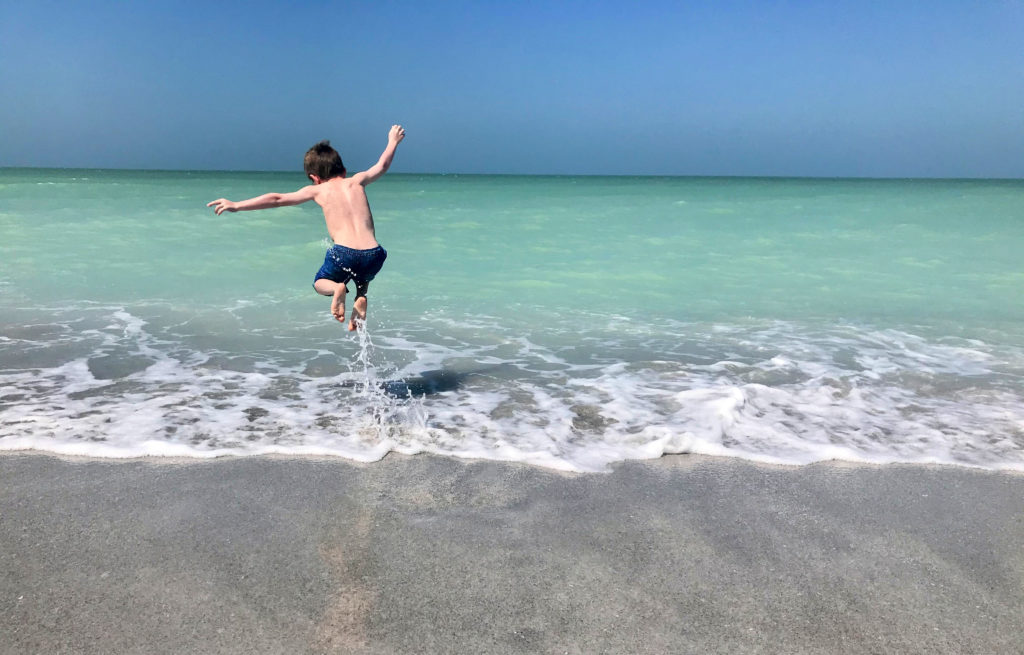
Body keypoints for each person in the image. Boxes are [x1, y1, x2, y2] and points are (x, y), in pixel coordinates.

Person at [208, 125, 406, 330]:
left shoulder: (317, 190)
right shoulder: (358, 181)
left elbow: (277, 199)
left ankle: (338, 289)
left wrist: (237, 205)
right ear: (344, 170)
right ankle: (360, 297)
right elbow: (382, 165)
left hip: (344, 252)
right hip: (374, 253)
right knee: (363, 274)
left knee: (320, 282)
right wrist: (393, 141)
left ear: (314, 178)